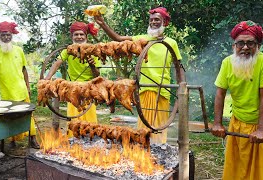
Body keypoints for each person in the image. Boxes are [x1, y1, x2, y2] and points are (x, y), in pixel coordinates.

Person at [94, 7, 185, 144]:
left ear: (165, 22)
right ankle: (143, 149)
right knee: (145, 126)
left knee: (160, 125)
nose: (153, 22)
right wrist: (103, 24)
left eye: (157, 20)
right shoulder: (141, 39)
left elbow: (179, 67)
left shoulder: (171, 43)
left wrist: (182, 86)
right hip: (145, 88)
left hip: (164, 89)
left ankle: (160, 148)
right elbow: (118, 39)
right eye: (151, 20)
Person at [211, 20, 263, 180]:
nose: (245, 47)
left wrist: (262, 130)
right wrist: (217, 123)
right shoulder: (227, 62)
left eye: (250, 43)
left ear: (258, 45)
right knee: (235, 165)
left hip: (262, 122)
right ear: (234, 45)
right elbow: (220, 94)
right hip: (238, 120)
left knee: (258, 171)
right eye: (240, 43)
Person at [0, 21, 40, 149]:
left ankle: (33, 138)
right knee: (9, 118)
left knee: (28, 115)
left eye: (8, 35)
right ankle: (12, 140)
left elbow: (24, 70)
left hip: (21, 91)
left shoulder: (19, 50)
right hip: (7, 93)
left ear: (12, 35)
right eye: (3, 35)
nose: (6, 37)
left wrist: (27, 86)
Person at [44, 21, 101, 134]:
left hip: (89, 89)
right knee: (74, 117)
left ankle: (91, 139)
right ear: (72, 36)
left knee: (89, 118)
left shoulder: (93, 51)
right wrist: (47, 79)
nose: (79, 37)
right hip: (72, 89)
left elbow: (97, 76)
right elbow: (57, 63)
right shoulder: (68, 51)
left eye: (81, 34)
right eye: (76, 34)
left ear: (86, 36)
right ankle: (73, 139)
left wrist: (92, 65)